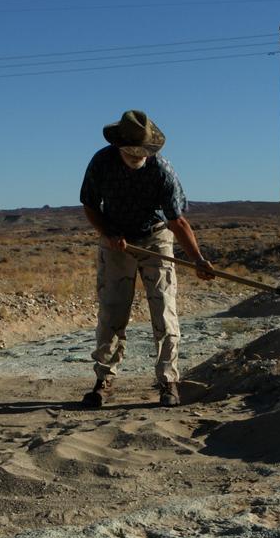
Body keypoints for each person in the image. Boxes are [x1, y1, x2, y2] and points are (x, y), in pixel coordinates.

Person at [79, 109, 213, 408]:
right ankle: (103, 380)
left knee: (164, 312)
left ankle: (168, 382)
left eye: (143, 152)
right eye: (132, 153)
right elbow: (89, 205)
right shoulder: (101, 162)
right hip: (116, 243)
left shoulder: (162, 170)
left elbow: (177, 221)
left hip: (155, 238)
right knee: (112, 312)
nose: (138, 157)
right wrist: (109, 233)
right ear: (119, 147)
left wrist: (198, 259)